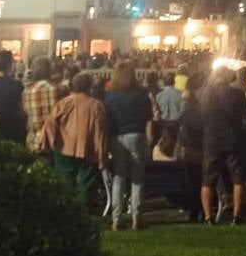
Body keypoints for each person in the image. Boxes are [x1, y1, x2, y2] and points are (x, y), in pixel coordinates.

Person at [40, 72, 110, 207]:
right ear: (89, 87)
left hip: (64, 146)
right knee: (86, 182)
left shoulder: (64, 103)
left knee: (65, 180)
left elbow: (50, 124)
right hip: (87, 147)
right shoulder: (96, 105)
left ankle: (66, 208)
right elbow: (100, 131)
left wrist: (50, 143)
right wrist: (101, 155)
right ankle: (82, 210)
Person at [104, 59, 153, 231]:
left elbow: (106, 120)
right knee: (137, 178)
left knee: (119, 177)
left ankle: (116, 218)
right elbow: (149, 117)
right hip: (136, 134)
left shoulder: (110, 95)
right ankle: (135, 217)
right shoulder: (140, 94)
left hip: (116, 137)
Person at [201, 66, 246, 225]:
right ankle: (237, 215)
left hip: (212, 139)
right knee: (237, 178)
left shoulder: (206, 95)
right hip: (232, 138)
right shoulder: (237, 94)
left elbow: (199, 116)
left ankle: (208, 216)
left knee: (208, 180)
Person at [177, 69, 208, 223]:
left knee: (193, 181)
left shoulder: (187, 107)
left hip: (190, 149)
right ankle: (201, 209)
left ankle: (195, 210)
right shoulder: (200, 108)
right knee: (201, 180)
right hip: (200, 148)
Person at [22, 56, 56, 151]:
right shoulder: (56, 90)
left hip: (34, 140)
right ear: (49, 70)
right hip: (53, 140)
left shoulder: (26, 92)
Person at [155, 70, 185, 135]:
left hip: (163, 124)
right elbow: (182, 111)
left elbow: (157, 112)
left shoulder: (158, 95)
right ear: (174, 81)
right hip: (176, 124)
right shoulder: (180, 94)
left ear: (163, 82)